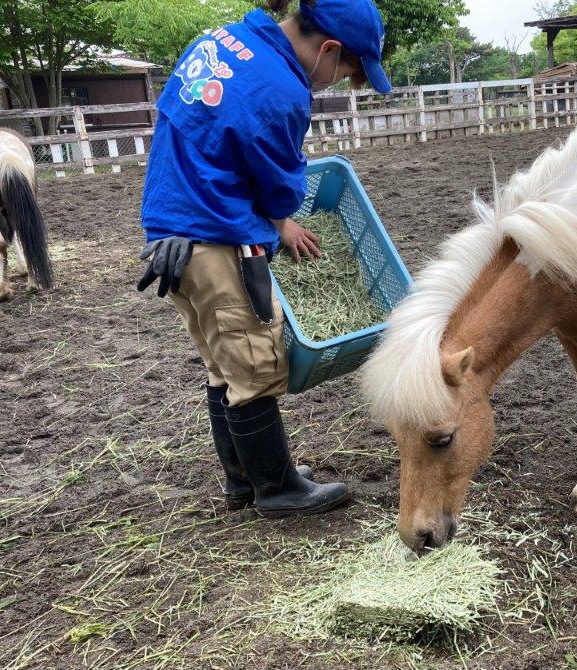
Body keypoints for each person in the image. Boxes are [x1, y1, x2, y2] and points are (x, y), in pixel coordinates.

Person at [136, 0, 391, 517]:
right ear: (329, 48)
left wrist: (277, 221)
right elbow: (281, 187)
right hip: (215, 236)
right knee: (254, 355)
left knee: (222, 362)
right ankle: (277, 491)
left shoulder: (224, 39)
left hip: (172, 231)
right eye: (344, 71)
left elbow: (217, 136)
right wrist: (281, 216)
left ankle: (244, 482)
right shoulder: (281, 90)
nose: (335, 82)